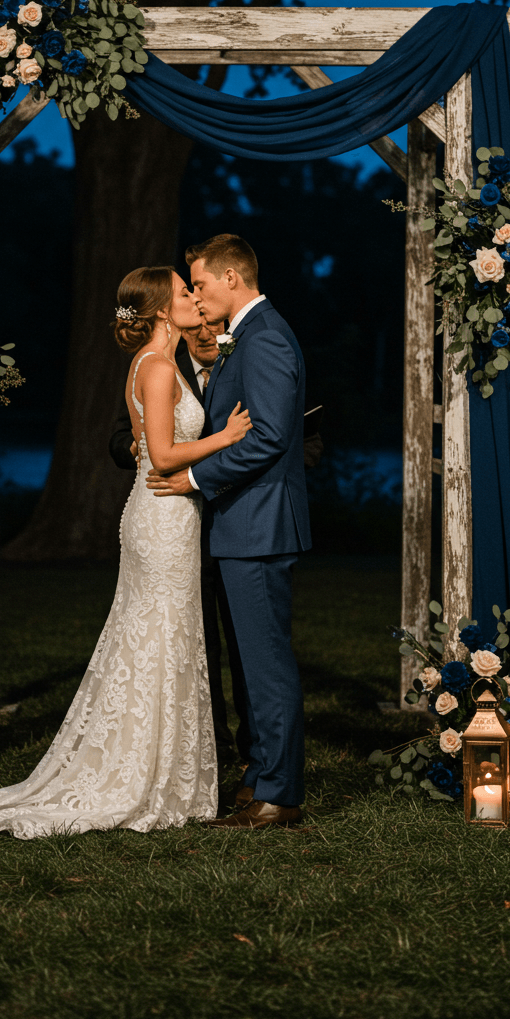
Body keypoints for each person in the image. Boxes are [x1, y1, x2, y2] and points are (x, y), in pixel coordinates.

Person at [0, 266, 252, 839]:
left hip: (160, 517)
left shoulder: (146, 364)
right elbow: (164, 456)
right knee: (161, 640)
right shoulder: (160, 366)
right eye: (184, 290)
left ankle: (166, 774)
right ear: (163, 309)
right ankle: (146, 778)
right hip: (162, 518)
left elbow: (148, 443)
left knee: (160, 640)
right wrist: (227, 435)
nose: (194, 297)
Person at [147, 234, 312, 829]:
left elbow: (267, 438)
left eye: (200, 283)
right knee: (253, 661)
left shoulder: (264, 338)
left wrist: (194, 478)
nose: (195, 294)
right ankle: (262, 777)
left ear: (232, 279)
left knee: (265, 664)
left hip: (260, 527)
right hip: (246, 525)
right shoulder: (247, 337)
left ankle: (278, 794)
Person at [109, 315, 251, 768]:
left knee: (232, 639)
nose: (206, 332)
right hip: (169, 511)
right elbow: (138, 439)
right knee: (179, 638)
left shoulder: (239, 363)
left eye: (216, 328)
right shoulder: (159, 366)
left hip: (226, 518)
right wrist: (142, 446)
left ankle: (228, 748)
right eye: (186, 297)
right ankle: (190, 749)